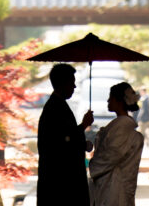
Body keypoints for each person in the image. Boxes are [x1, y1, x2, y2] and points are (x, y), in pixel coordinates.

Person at [37, 63, 94, 206]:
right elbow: (61, 142)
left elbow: (66, 137)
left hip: (60, 179)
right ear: (63, 83)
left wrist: (82, 138)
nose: (74, 87)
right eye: (72, 83)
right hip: (60, 180)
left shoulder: (57, 105)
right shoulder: (55, 108)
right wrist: (83, 126)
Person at [89, 82, 144, 206]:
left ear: (119, 100)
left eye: (111, 97)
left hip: (113, 187)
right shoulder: (121, 127)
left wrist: (93, 164)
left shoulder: (121, 129)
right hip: (116, 185)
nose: (108, 101)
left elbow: (110, 156)